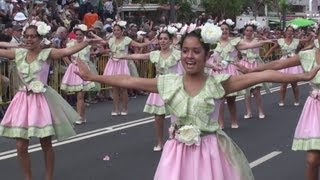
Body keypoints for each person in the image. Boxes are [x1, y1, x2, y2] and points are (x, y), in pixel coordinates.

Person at [75, 22, 320, 180]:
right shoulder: (168, 82)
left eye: (196, 51)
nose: (189, 56)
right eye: (185, 51)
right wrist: (92, 76)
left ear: (207, 55)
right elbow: (129, 81)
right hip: (176, 155)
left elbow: (263, 74)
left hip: (210, 154)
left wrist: (305, 75)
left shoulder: (218, 84)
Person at [0, 21, 100, 180]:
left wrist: (87, 42)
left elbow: (67, 50)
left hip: (41, 101)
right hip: (22, 101)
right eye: (26, 36)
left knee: (45, 143)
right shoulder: (18, 54)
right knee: (20, 145)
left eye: (33, 36)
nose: (29, 39)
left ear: (40, 38)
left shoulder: (47, 53)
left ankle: (48, 177)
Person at [236, 29, 320, 180]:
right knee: (312, 160)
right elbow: (278, 64)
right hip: (315, 108)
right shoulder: (307, 55)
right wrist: (251, 70)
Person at [116, 30, 183, 151]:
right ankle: (159, 142)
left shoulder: (177, 54)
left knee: (177, 115)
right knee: (158, 116)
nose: (162, 41)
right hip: (158, 85)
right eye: (160, 39)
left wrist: (212, 66)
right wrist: (123, 56)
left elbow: (193, 60)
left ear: (171, 40)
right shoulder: (155, 54)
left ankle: (176, 141)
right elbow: (140, 56)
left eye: (165, 39)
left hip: (174, 85)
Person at [211, 20, 273, 129]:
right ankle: (220, 123)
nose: (224, 31)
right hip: (218, 71)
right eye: (222, 29)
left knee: (231, 99)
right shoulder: (213, 43)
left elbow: (250, 45)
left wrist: (265, 42)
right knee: (219, 99)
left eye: (226, 29)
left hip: (231, 71)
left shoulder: (234, 42)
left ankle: (234, 121)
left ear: (229, 30)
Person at [103, 21, 154, 116]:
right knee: (114, 88)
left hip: (123, 63)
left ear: (122, 31)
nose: (116, 32)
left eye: (118, 30)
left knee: (123, 88)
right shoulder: (111, 40)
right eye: (114, 30)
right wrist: (93, 39)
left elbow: (138, 45)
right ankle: (115, 108)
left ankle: (125, 108)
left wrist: (149, 42)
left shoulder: (126, 39)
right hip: (113, 63)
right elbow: (103, 43)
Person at [61, 24, 96, 125]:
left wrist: (92, 34)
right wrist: (70, 64)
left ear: (84, 35)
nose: (78, 36)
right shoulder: (71, 44)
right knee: (78, 96)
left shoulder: (88, 44)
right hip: (74, 70)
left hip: (84, 70)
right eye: (77, 35)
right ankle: (82, 116)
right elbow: (64, 55)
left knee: (80, 95)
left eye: (80, 35)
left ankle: (79, 116)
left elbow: (100, 44)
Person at [264, 25, 303, 106]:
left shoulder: (296, 41)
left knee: (294, 83)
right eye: (288, 30)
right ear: (285, 32)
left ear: (293, 32)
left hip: (293, 63)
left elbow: (304, 45)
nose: (289, 32)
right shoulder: (281, 41)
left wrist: (299, 54)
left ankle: (296, 100)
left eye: (291, 31)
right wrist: (267, 55)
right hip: (284, 63)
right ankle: (281, 100)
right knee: (283, 83)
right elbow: (273, 48)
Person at [238, 22, 268, 119]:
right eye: (247, 30)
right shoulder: (240, 41)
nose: (249, 32)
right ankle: (248, 111)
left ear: (253, 31)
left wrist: (262, 36)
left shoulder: (257, 39)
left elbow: (269, 41)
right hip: (244, 64)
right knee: (246, 90)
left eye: (251, 30)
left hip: (255, 64)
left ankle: (260, 110)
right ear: (244, 31)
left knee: (256, 91)